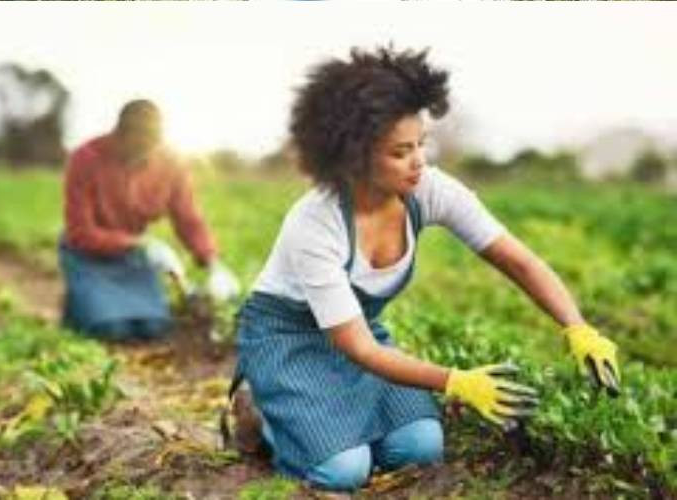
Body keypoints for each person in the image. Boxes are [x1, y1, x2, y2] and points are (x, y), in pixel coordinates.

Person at [230, 47, 620, 491]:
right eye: (400, 151)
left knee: (419, 448)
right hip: (290, 340)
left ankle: (323, 426)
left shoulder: (428, 189)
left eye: (421, 144)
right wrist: (456, 381)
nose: (419, 161)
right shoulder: (316, 222)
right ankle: (260, 414)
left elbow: (519, 259)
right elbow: (358, 349)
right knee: (342, 471)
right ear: (354, 156)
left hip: (357, 332)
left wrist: (577, 327)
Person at [59, 99, 239, 341]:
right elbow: (80, 232)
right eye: (142, 142)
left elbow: (187, 218)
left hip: (131, 259)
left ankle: (93, 303)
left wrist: (212, 262)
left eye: (155, 142)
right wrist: (140, 243)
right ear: (121, 132)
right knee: (109, 330)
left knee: (153, 328)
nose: (149, 150)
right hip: (87, 255)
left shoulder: (170, 163)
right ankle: (79, 304)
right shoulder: (85, 158)